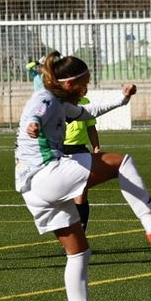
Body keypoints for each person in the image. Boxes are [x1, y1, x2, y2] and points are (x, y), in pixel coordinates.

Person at [15, 51, 151, 301]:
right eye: (84, 82)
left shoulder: (60, 101)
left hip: (33, 189)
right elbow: (36, 116)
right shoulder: (47, 99)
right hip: (46, 174)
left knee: (79, 252)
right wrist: (34, 126)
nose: (87, 87)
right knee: (122, 161)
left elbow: (86, 113)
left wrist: (122, 100)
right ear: (71, 83)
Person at [63, 96, 101, 230]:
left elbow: (91, 127)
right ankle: (68, 231)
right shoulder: (56, 101)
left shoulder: (85, 102)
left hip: (80, 151)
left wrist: (96, 148)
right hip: (60, 150)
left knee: (81, 194)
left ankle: (81, 232)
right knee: (63, 195)